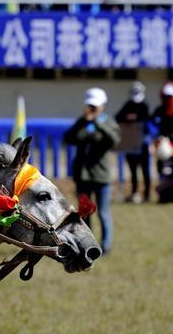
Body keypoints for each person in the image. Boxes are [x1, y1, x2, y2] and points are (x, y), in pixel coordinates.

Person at [63, 87, 121, 255]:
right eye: (90, 105)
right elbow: (69, 138)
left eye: (96, 106)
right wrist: (84, 121)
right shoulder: (82, 122)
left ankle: (106, 246)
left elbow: (114, 140)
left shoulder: (108, 122)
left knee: (103, 213)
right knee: (85, 213)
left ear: (104, 105)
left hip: (101, 176)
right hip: (83, 176)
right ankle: (87, 245)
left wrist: (97, 122)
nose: (93, 109)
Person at [115, 81, 151, 204]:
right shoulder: (127, 105)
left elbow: (145, 120)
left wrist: (133, 118)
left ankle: (147, 195)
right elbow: (118, 117)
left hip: (143, 144)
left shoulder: (145, 106)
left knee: (145, 171)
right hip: (131, 144)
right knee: (133, 171)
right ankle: (134, 192)